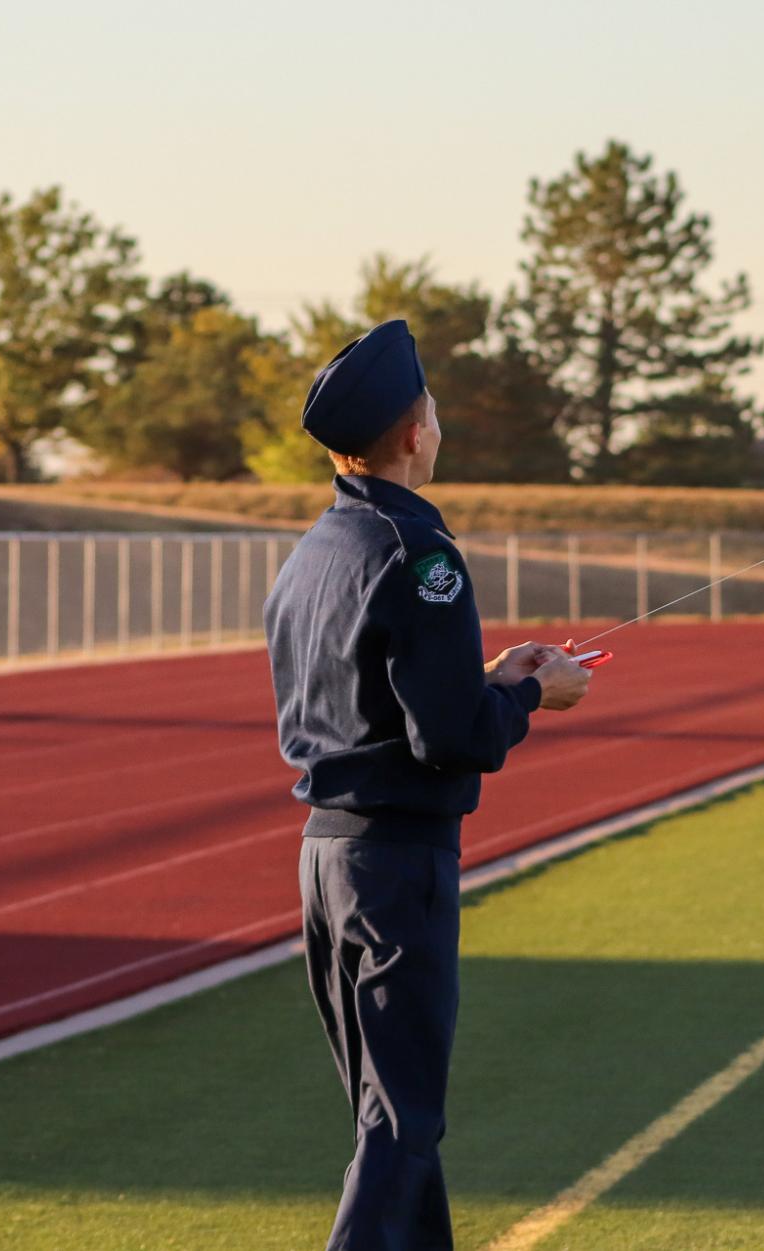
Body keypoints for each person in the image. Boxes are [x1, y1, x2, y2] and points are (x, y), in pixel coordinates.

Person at [264, 319, 593, 1251]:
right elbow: (451, 738)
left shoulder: (310, 554)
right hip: (397, 863)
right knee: (401, 1118)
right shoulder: (423, 551)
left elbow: (374, 699)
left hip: (323, 857)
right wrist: (534, 692)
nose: (439, 428)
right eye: (435, 413)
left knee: (387, 1115)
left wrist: (488, 677)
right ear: (412, 433)